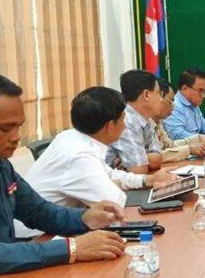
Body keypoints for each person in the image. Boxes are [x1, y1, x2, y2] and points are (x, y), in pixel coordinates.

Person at [0, 71, 126, 278]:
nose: (16, 137)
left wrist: (85, 218)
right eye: (5, 128)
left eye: (19, 126)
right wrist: (71, 248)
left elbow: (38, 211)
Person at [23, 87, 176, 210]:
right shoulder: (79, 155)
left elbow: (109, 175)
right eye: (123, 119)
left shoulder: (72, 137)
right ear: (109, 126)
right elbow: (115, 202)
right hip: (40, 235)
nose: (125, 125)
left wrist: (148, 180)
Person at [106, 70, 163, 173]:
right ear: (146, 94)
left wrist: (139, 156)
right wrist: (143, 158)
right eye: (159, 93)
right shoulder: (126, 121)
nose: (161, 99)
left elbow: (158, 159)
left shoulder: (144, 119)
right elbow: (138, 170)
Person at [163, 67, 205, 142]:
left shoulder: (193, 103)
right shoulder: (174, 105)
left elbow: (203, 128)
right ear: (184, 88)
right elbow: (177, 135)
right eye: (200, 90)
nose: (203, 95)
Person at [154, 79, 205, 162]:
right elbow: (153, 157)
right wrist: (189, 149)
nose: (173, 106)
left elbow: (170, 145)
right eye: (170, 101)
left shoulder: (158, 122)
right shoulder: (143, 124)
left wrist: (198, 138)